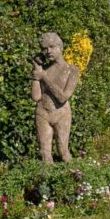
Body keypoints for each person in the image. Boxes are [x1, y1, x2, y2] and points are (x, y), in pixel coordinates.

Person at [31, 33, 79, 164]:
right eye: (44, 48)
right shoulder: (43, 70)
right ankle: (46, 183)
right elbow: (36, 97)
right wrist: (36, 69)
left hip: (61, 113)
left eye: (51, 47)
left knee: (63, 151)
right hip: (43, 112)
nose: (48, 51)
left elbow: (63, 97)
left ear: (60, 47)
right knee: (45, 154)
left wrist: (43, 77)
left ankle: (77, 178)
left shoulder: (72, 70)